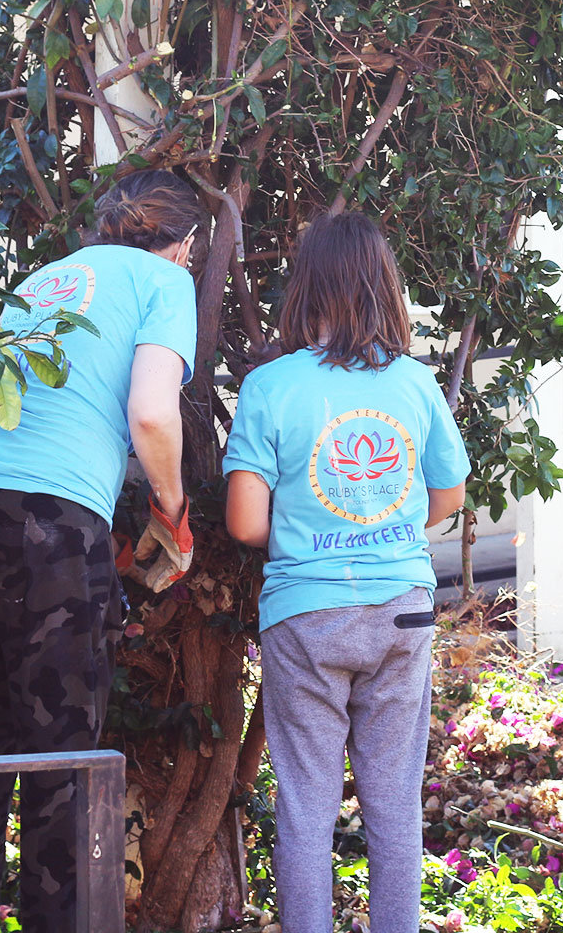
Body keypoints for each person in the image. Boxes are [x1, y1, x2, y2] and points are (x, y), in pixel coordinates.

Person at [0, 169, 203, 933]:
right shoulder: (164, 284)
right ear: (186, 244)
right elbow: (151, 415)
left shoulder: (48, 278)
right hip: (42, 517)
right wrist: (171, 508)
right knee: (60, 757)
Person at [222, 213, 471, 933]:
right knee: (394, 801)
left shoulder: (270, 386)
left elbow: (243, 523)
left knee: (306, 802)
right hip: (403, 610)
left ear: (307, 287)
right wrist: (376, 526)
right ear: (384, 287)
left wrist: (314, 533)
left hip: (306, 616)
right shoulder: (417, 384)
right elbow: (448, 496)